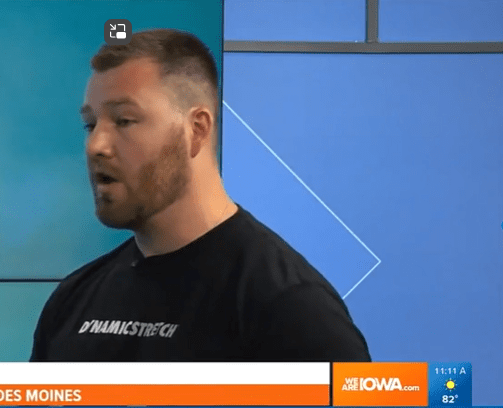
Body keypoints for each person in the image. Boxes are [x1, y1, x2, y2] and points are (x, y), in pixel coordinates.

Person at [30, 28, 371, 362]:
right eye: (90, 125)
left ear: (197, 130)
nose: (96, 146)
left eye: (124, 120)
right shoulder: (72, 301)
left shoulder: (288, 309)